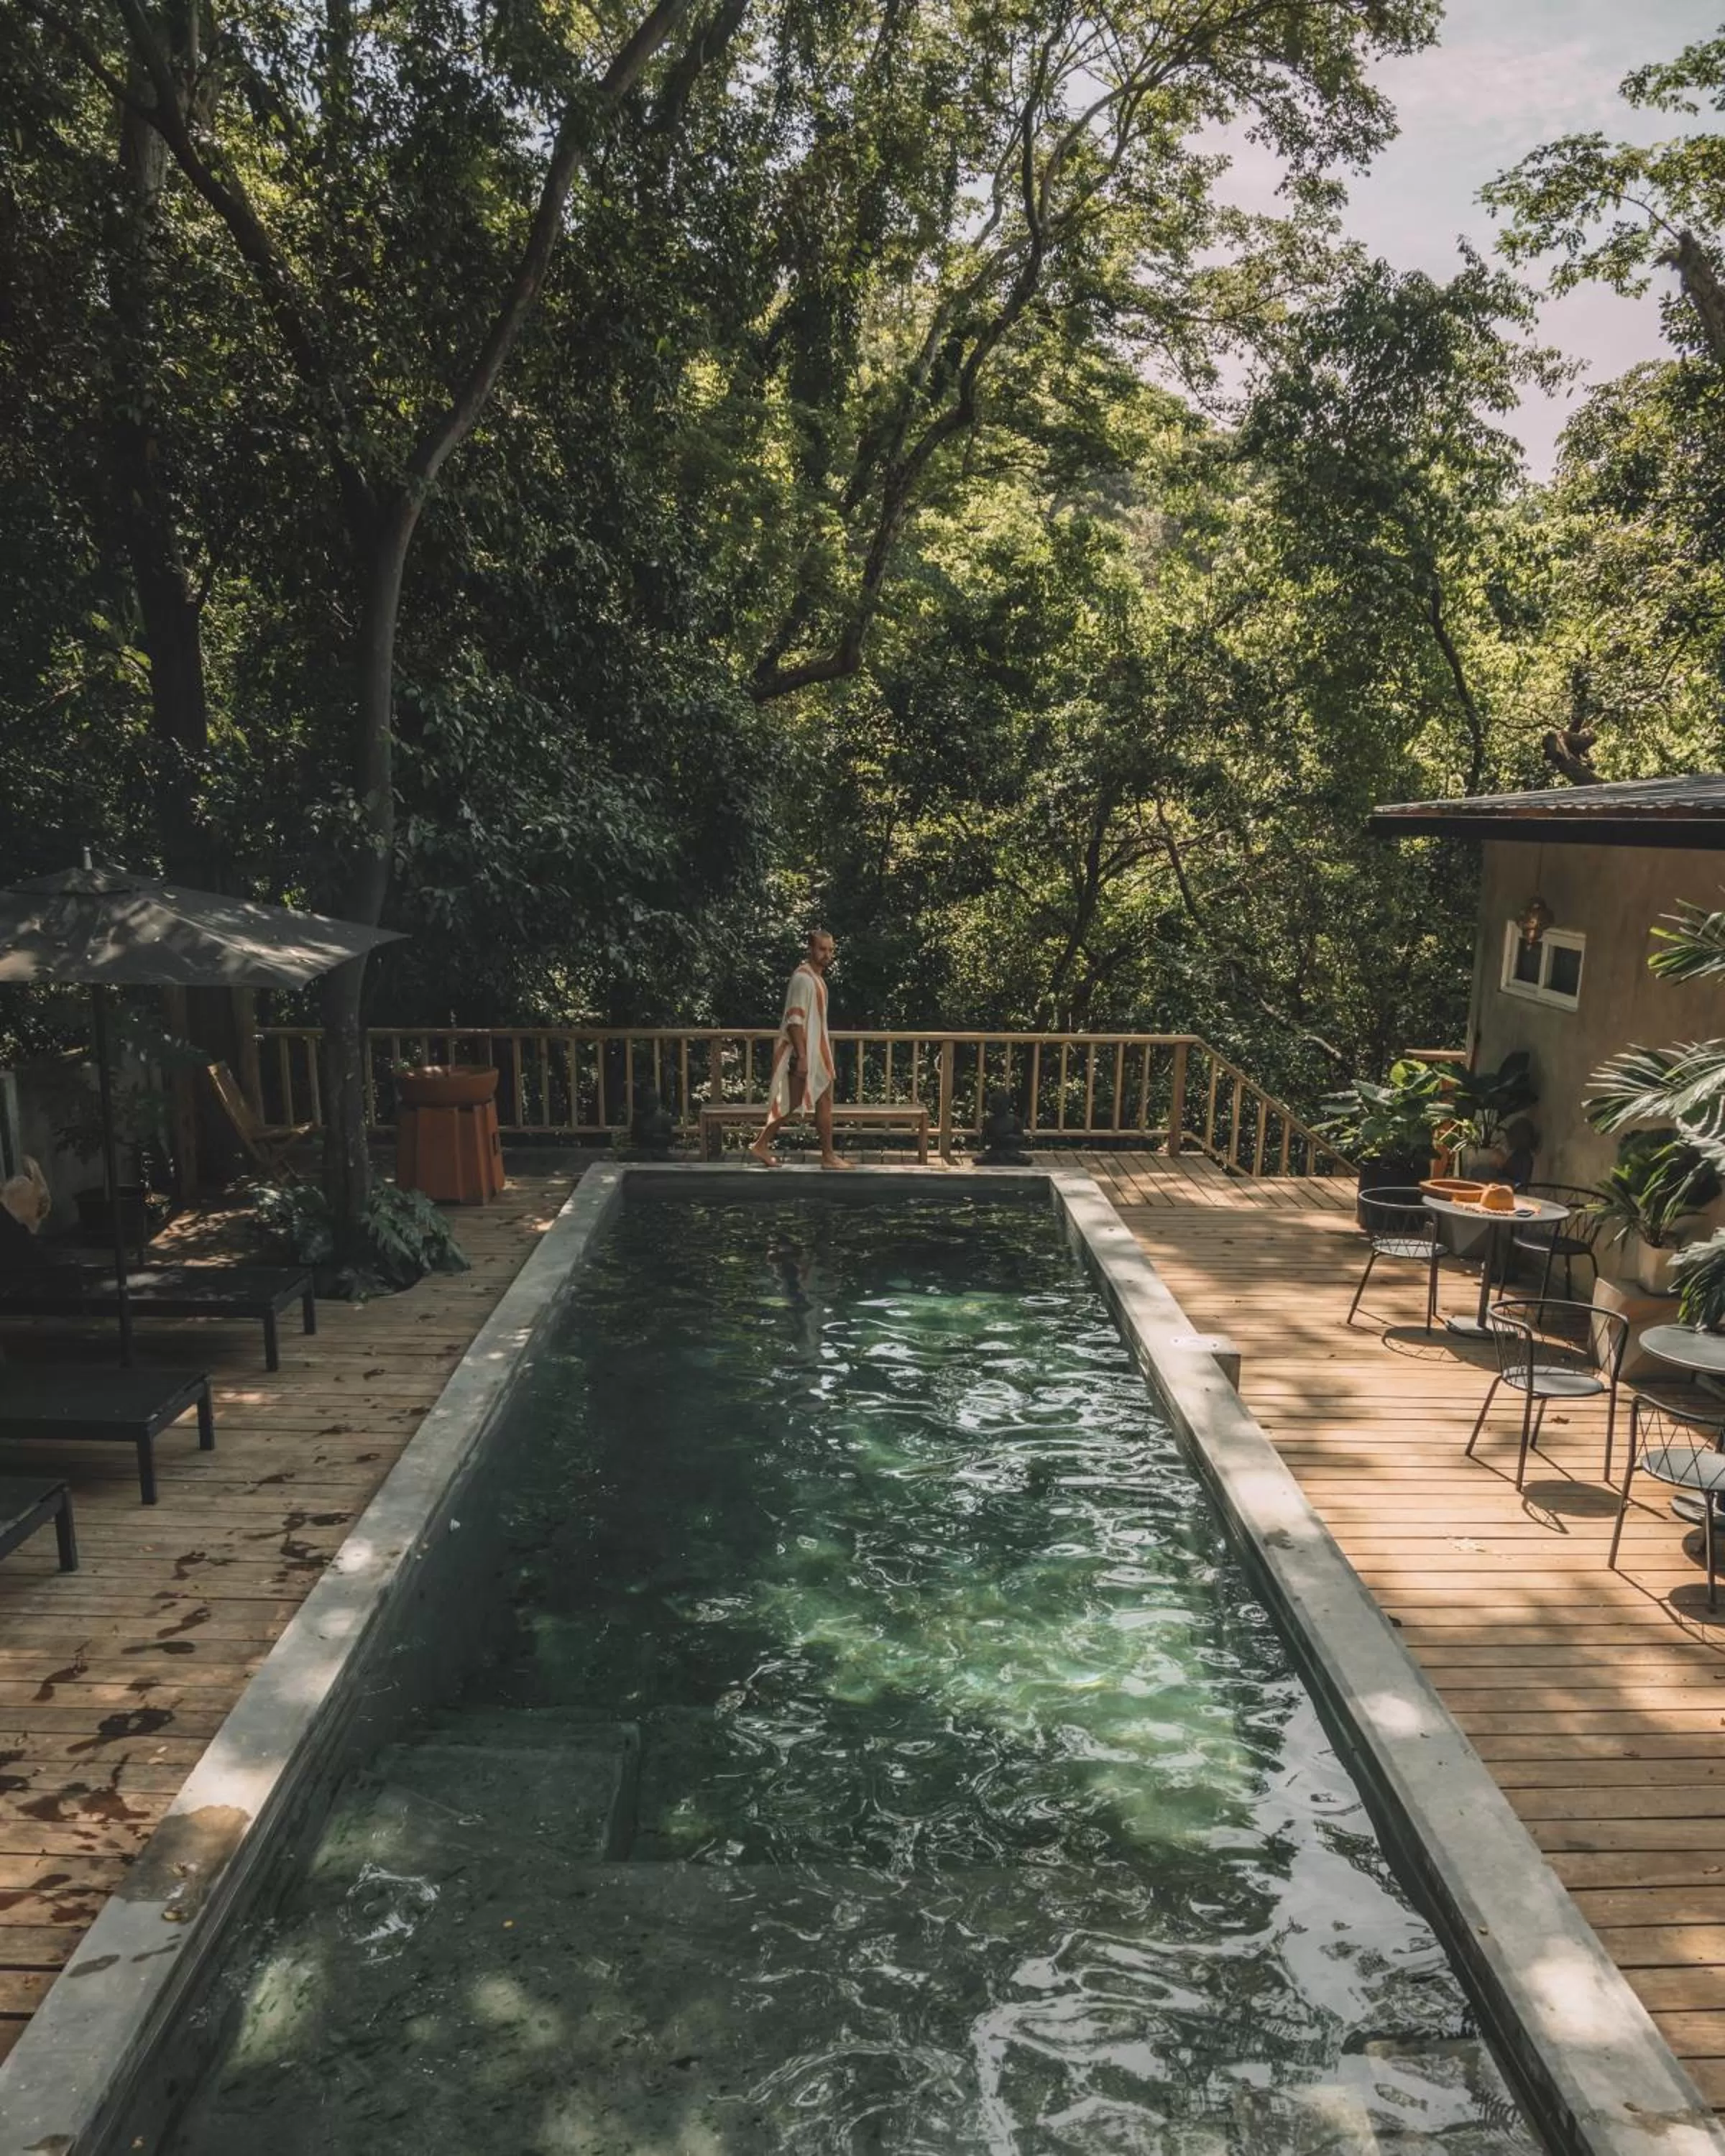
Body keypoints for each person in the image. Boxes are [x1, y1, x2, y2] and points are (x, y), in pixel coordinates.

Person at [750, 929, 851, 1170]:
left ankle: (765, 1145)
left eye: (830, 950)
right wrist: (803, 1057)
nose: (827, 954)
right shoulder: (803, 979)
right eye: (822, 949)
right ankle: (824, 1156)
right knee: (794, 1101)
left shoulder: (816, 979)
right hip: (804, 1053)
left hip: (816, 1052)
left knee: (814, 1100)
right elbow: (795, 1021)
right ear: (810, 949)